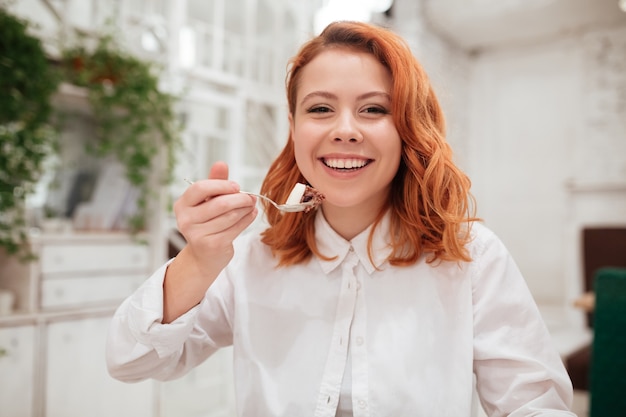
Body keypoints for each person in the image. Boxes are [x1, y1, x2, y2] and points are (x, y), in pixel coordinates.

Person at [106, 21, 576, 417]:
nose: (345, 130)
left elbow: (533, 403)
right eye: (320, 109)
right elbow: (130, 360)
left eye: (373, 109)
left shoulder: (472, 256)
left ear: (408, 128)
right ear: (293, 128)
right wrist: (199, 259)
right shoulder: (251, 261)